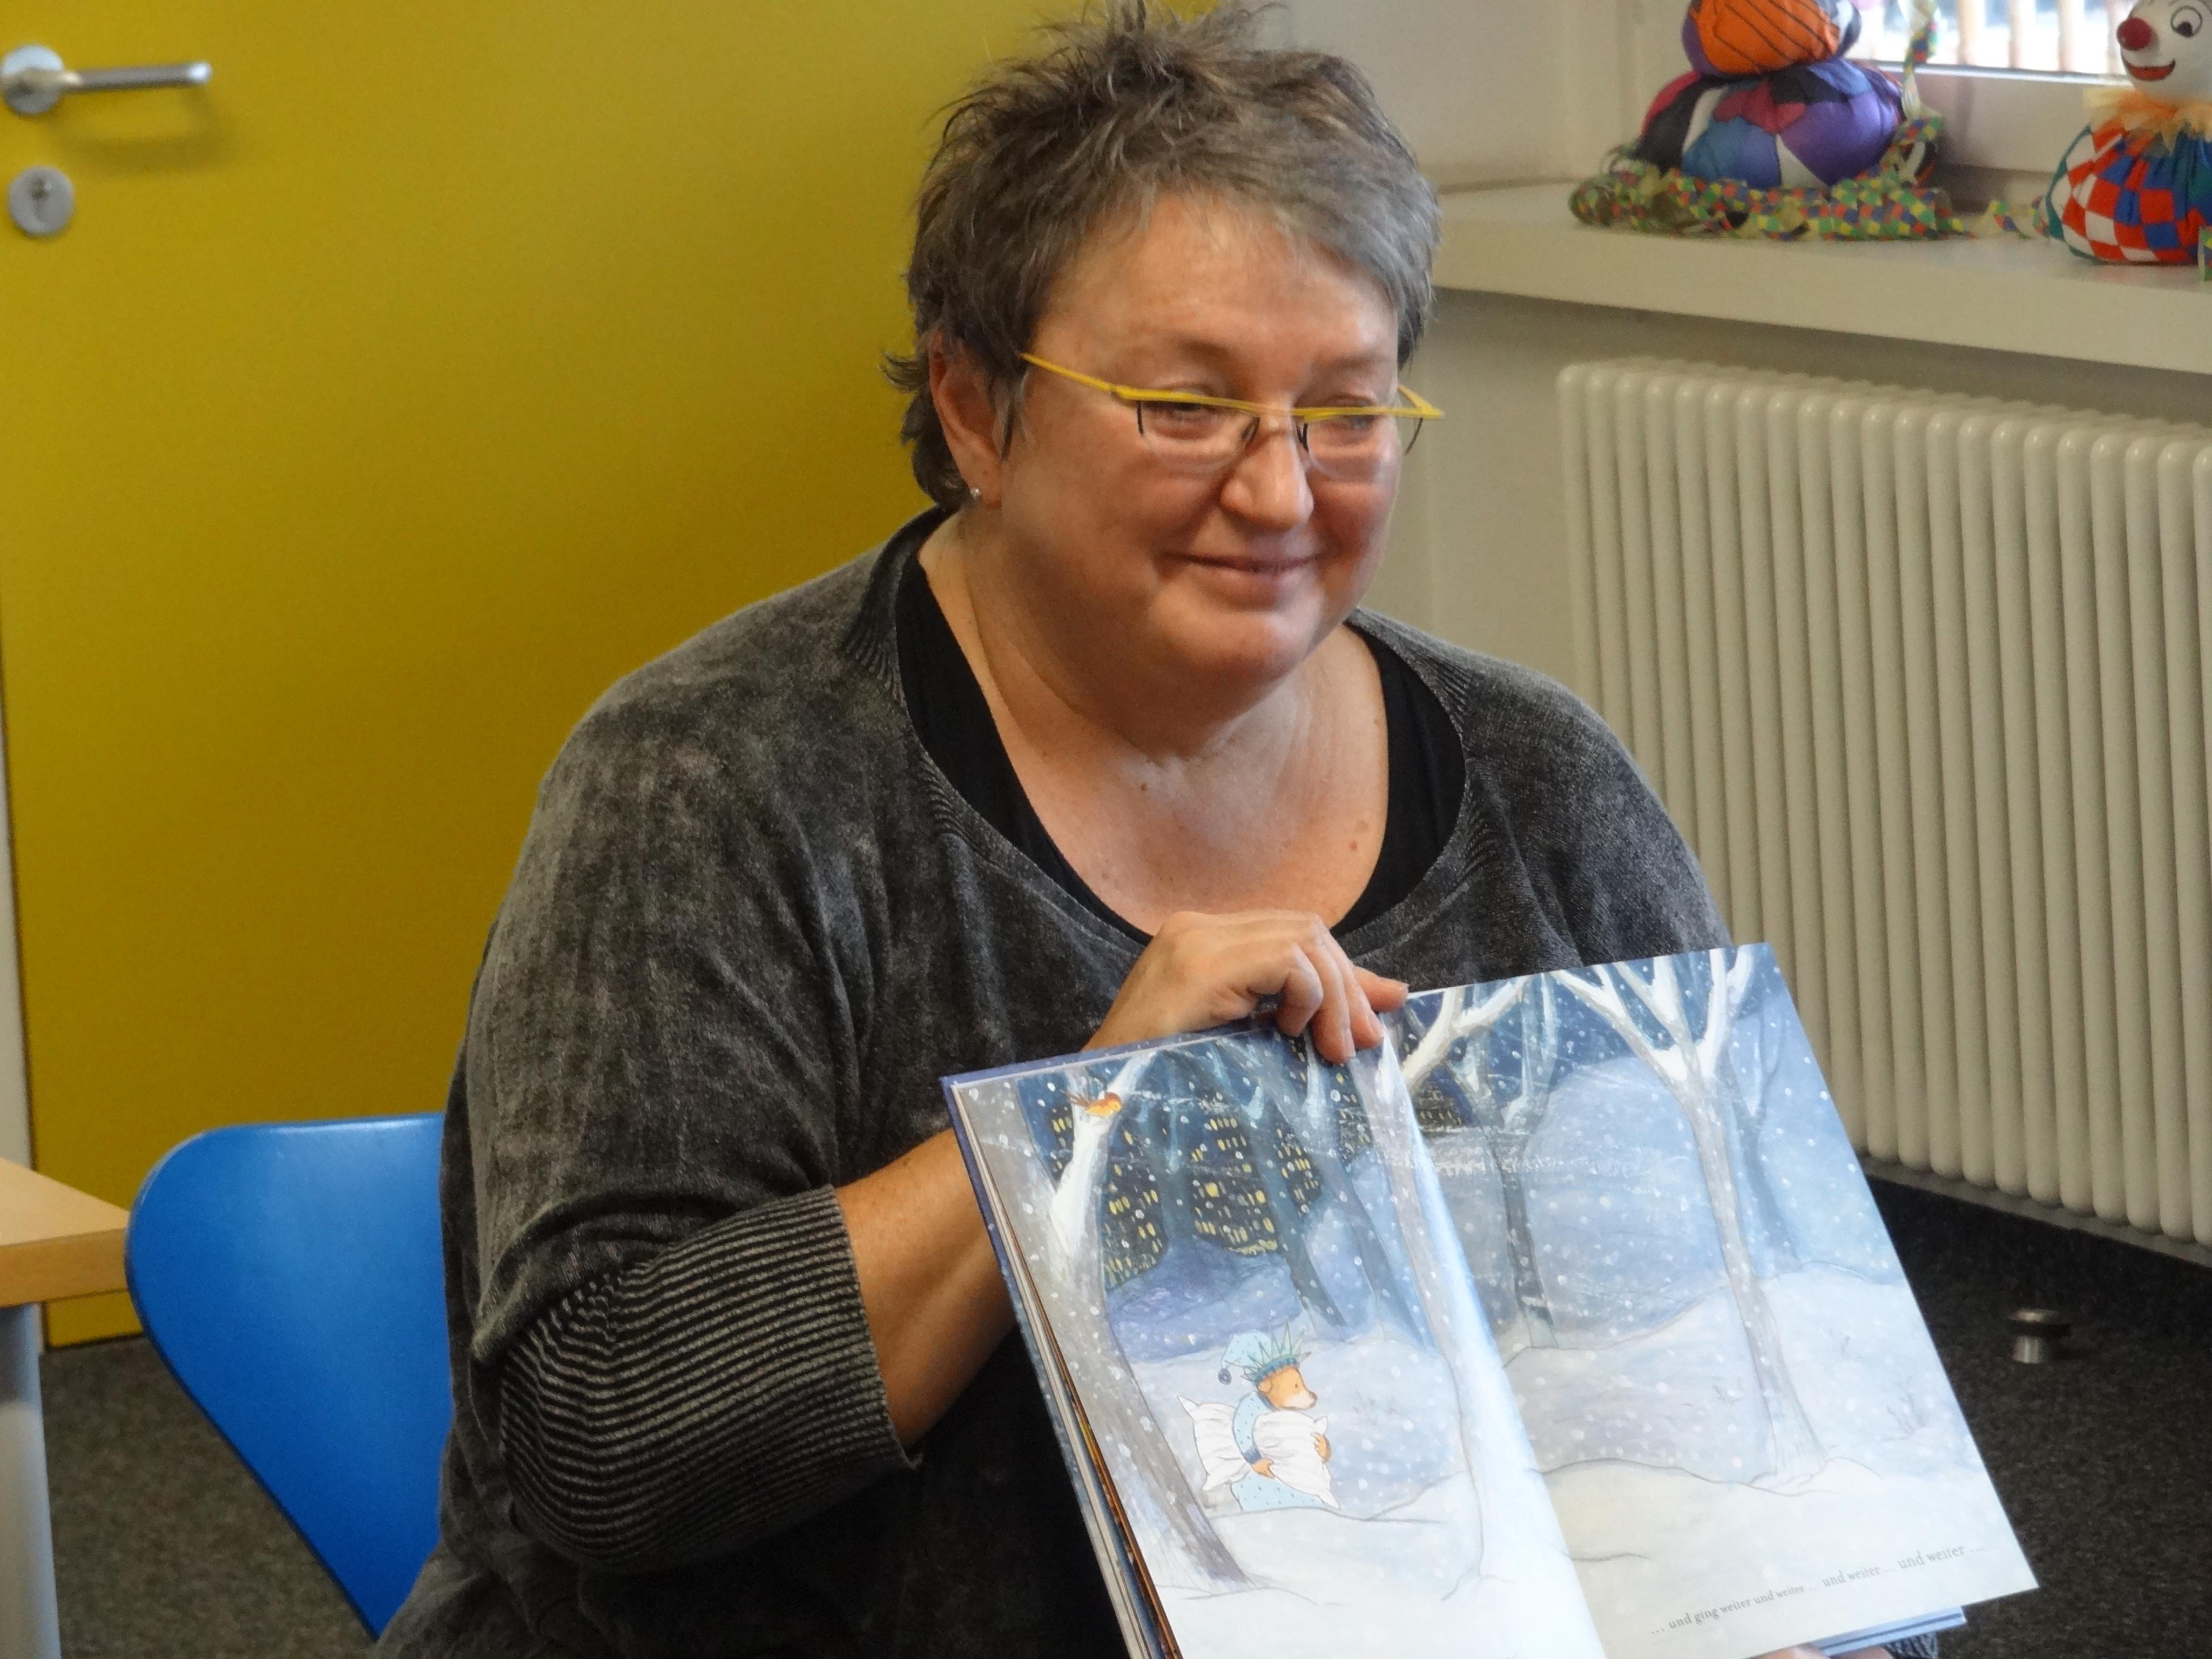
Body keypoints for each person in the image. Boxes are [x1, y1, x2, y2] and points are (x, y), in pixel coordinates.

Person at [377, 6, 1918, 1657]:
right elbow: (602, 1439)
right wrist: (1080, 1131)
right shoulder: (708, 783)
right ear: (975, 409)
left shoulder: (1541, 779)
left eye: (1345, 409)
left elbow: (1774, 1415)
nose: (1281, 493)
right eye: (1185, 406)